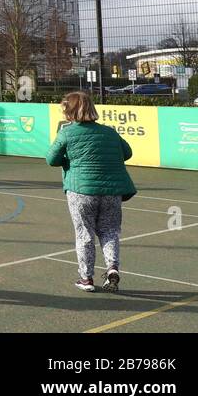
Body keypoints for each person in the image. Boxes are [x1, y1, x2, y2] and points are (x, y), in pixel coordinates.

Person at [46, 90, 137, 293]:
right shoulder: (109, 132)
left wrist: (69, 160)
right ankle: (112, 268)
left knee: (84, 234)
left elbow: (51, 159)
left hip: (81, 190)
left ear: (69, 110)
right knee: (110, 231)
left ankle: (86, 278)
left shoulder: (67, 132)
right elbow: (128, 153)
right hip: (112, 191)